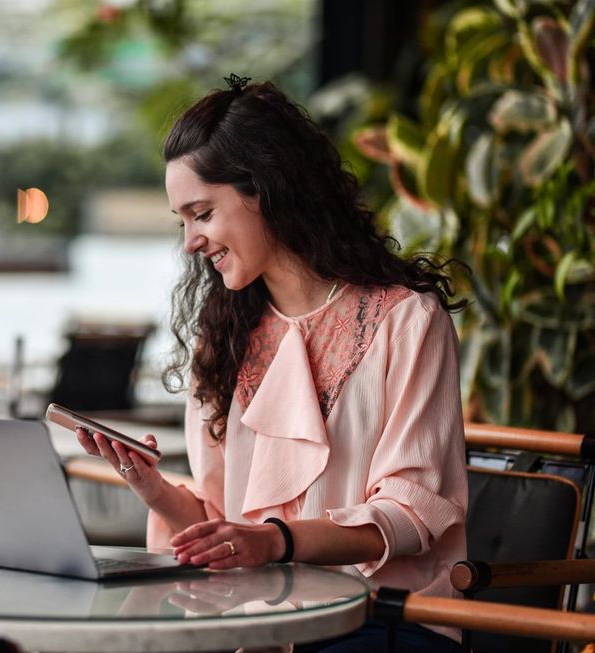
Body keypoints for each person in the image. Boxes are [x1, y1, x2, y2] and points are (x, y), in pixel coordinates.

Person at [75, 75, 468, 653]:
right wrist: (152, 487)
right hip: (256, 620)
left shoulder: (407, 321)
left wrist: (274, 541)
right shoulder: (225, 335)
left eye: (202, 213)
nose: (190, 241)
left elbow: (411, 514)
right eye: (182, 220)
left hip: (383, 622)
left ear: (262, 189)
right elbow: (220, 525)